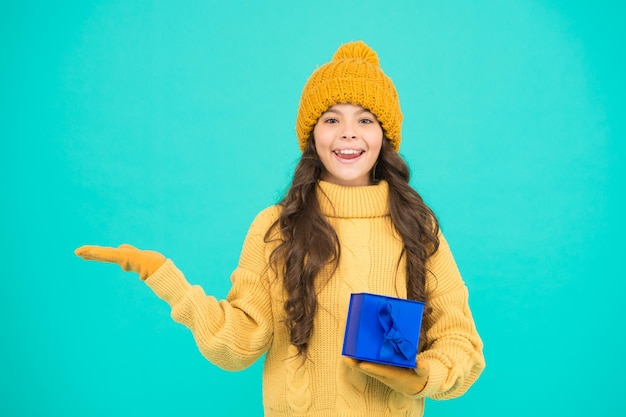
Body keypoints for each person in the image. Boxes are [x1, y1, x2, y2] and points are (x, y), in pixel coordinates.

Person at [76, 40, 485, 416]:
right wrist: (164, 277)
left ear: (384, 136)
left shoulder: (416, 226)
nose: (348, 132)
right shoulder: (277, 227)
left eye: (365, 119)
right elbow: (239, 343)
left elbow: (461, 341)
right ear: (312, 135)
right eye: (331, 119)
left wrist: (423, 375)